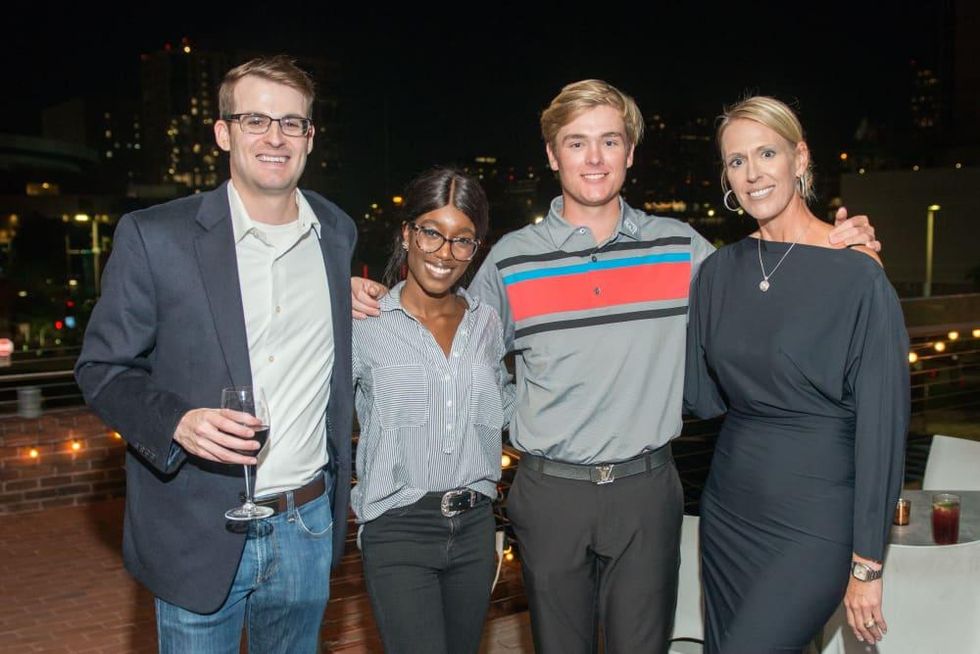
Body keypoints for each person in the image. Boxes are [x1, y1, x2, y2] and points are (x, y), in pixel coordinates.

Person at [352, 80, 879, 653]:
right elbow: (455, 350)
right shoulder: (509, 260)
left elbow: (767, 283)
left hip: (646, 491)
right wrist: (357, 294)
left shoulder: (685, 251)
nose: (595, 158)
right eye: (576, 143)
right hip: (550, 493)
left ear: (630, 153)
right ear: (553, 156)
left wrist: (837, 247)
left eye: (610, 141)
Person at [75, 56, 356, 653]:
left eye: (291, 122)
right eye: (255, 119)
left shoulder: (335, 232)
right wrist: (175, 419)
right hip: (198, 526)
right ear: (224, 132)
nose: (275, 137)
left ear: (310, 137)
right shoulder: (156, 237)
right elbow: (101, 369)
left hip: (307, 521)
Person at [684, 96, 909, 653]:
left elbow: (883, 425)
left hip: (816, 521)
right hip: (730, 511)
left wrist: (867, 565)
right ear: (726, 178)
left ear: (800, 158)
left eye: (767, 153)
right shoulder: (715, 273)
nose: (753, 173)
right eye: (736, 161)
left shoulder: (858, 274)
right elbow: (701, 395)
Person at [351, 167, 514, 653]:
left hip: (475, 528)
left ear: (476, 247)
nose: (445, 253)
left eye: (462, 240)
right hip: (398, 528)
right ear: (407, 234)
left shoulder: (487, 324)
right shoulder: (364, 321)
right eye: (431, 233)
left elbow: (508, 405)